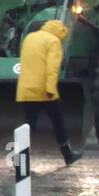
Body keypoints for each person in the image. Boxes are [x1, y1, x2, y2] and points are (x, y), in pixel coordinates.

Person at [16, 18, 81, 166]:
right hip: (44, 90)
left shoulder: (29, 38)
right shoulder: (53, 41)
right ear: (59, 32)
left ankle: (21, 160)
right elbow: (52, 68)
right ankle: (68, 155)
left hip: (25, 88)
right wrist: (51, 89)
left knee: (28, 125)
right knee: (58, 122)